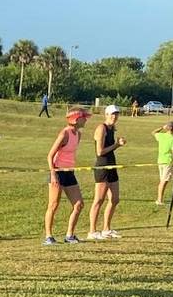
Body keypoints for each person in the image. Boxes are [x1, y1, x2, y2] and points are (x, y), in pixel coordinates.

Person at [43, 108, 90, 245]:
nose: (85, 120)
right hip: (57, 171)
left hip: (69, 172)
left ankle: (70, 235)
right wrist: (53, 174)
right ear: (75, 119)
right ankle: (48, 237)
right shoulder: (65, 134)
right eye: (83, 117)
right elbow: (50, 155)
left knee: (79, 204)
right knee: (53, 205)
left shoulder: (78, 134)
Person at [87, 105, 126, 240]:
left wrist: (117, 144)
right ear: (106, 114)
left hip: (112, 166)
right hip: (102, 167)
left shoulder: (112, 129)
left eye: (116, 114)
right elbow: (100, 152)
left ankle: (106, 229)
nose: (114, 116)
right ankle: (92, 231)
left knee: (114, 199)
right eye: (112, 114)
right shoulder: (101, 128)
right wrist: (117, 145)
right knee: (99, 200)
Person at [153, 121, 173, 206]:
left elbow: (154, 132)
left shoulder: (161, 136)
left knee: (163, 180)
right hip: (167, 162)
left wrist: (162, 127)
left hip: (160, 161)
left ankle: (160, 199)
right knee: (164, 181)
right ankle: (159, 200)